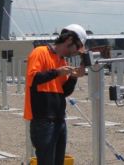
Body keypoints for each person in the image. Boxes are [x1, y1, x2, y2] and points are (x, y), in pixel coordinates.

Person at [23, 24, 88, 165]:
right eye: (77, 48)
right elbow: (33, 78)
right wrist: (57, 72)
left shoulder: (62, 61)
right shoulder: (39, 52)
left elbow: (64, 91)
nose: (76, 52)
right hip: (42, 120)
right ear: (69, 40)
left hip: (59, 120)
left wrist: (73, 77)